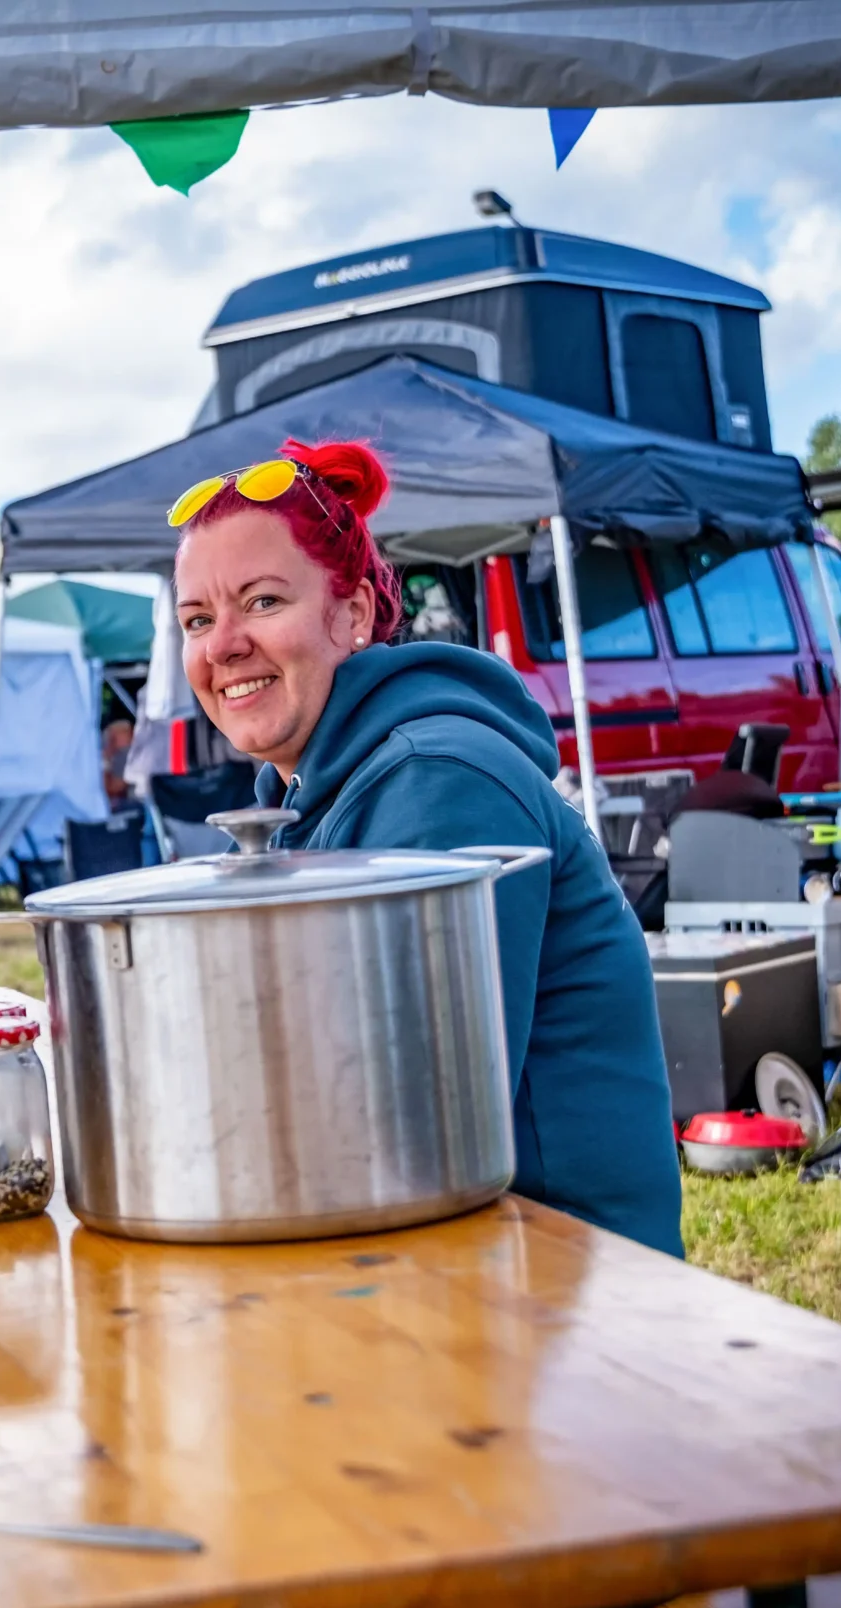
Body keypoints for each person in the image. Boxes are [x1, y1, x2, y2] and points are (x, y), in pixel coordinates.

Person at [170, 438, 683, 1255]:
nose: (222, 644)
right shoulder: (312, 796)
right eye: (198, 619)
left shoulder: (440, 779)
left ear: (356, 614)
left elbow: (413, 1128)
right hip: (444, 1256)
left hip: (562, 1292)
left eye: (262, 602)